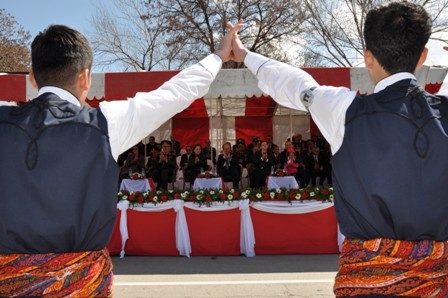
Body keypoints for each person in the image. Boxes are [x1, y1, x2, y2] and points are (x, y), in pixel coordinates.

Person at [0, 21, 242, 297]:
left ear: (32, 77)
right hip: (82, 287)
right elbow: (177, 92)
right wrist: (219, 56)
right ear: (86, 78)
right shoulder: (106, 123)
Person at [230, 2, 448, 296]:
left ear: (367, 57)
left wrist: (244, 55)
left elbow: (294, 83)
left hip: (366, 284)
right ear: (423, 56)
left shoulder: (344, 110)